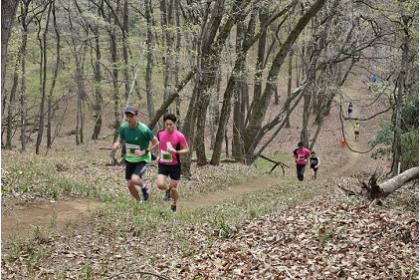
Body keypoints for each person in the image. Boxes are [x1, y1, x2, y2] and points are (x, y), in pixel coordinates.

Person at [112, 106, 159, 203]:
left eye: (131, 116)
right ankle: (139, 201)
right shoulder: (124, 128)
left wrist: (144, 151)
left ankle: (145, 187)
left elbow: (156, 142)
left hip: (142, 159)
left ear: (137, 116)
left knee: (135, 178)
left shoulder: (144, 130)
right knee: (130, 184)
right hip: (130, 159)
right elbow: (120, 140)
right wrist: (117, 144)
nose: (129, 118)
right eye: (127, 116)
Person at [156, 113, 189, 212]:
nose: (169, 126)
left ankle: (174, 204)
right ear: (164, 124)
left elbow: (187, 149)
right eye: (167, 124)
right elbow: (159, 145)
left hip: (175, 165)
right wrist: (158, 155)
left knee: (174, 189)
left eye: (171, 124)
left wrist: (176, 152)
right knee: (160, 184)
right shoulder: (160, 134)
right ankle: (167, 190)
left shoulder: (179, 136)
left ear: (175, 124)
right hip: (163, 164)